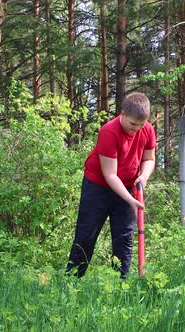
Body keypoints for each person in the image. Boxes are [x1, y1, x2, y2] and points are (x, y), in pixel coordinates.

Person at [66, 92, 156, 278]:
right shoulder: (109, 131)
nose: (136, 129)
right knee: (86, 235)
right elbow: (110, 175)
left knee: (124, 238)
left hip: (129, 185)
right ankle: (71, 281)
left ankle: (120, 285)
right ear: (122, 114)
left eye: (140, 125)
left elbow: (149, 158)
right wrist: (130, 200)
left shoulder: (146, 129)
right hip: (98, 186)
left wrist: (144, 177)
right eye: (132, 124)